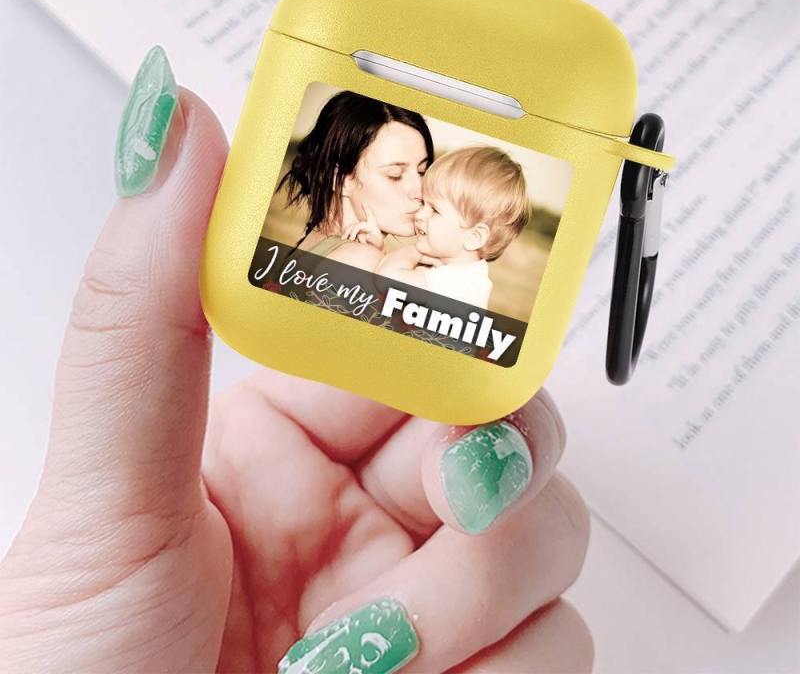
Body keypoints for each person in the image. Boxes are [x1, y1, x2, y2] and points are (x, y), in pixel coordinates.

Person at [0, 47, 594, 673]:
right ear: (346, 178)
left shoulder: (396, 273)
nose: (419, 198)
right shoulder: (351, 267)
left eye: (423, 174)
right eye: (398, 175)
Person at [277, 89, 434, 272]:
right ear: (339, 179)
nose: (420, 191)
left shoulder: (310, 240)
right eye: (395, 175)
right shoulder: (361, 259)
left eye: (422, 171)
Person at [369, 145, 531, 309]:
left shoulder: (459, 284)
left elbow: (386, 281)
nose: (419, 214)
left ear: (474, 237)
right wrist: (378, 250)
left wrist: (414, 252)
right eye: (424, 203)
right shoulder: (457, 272)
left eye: (435, 210)